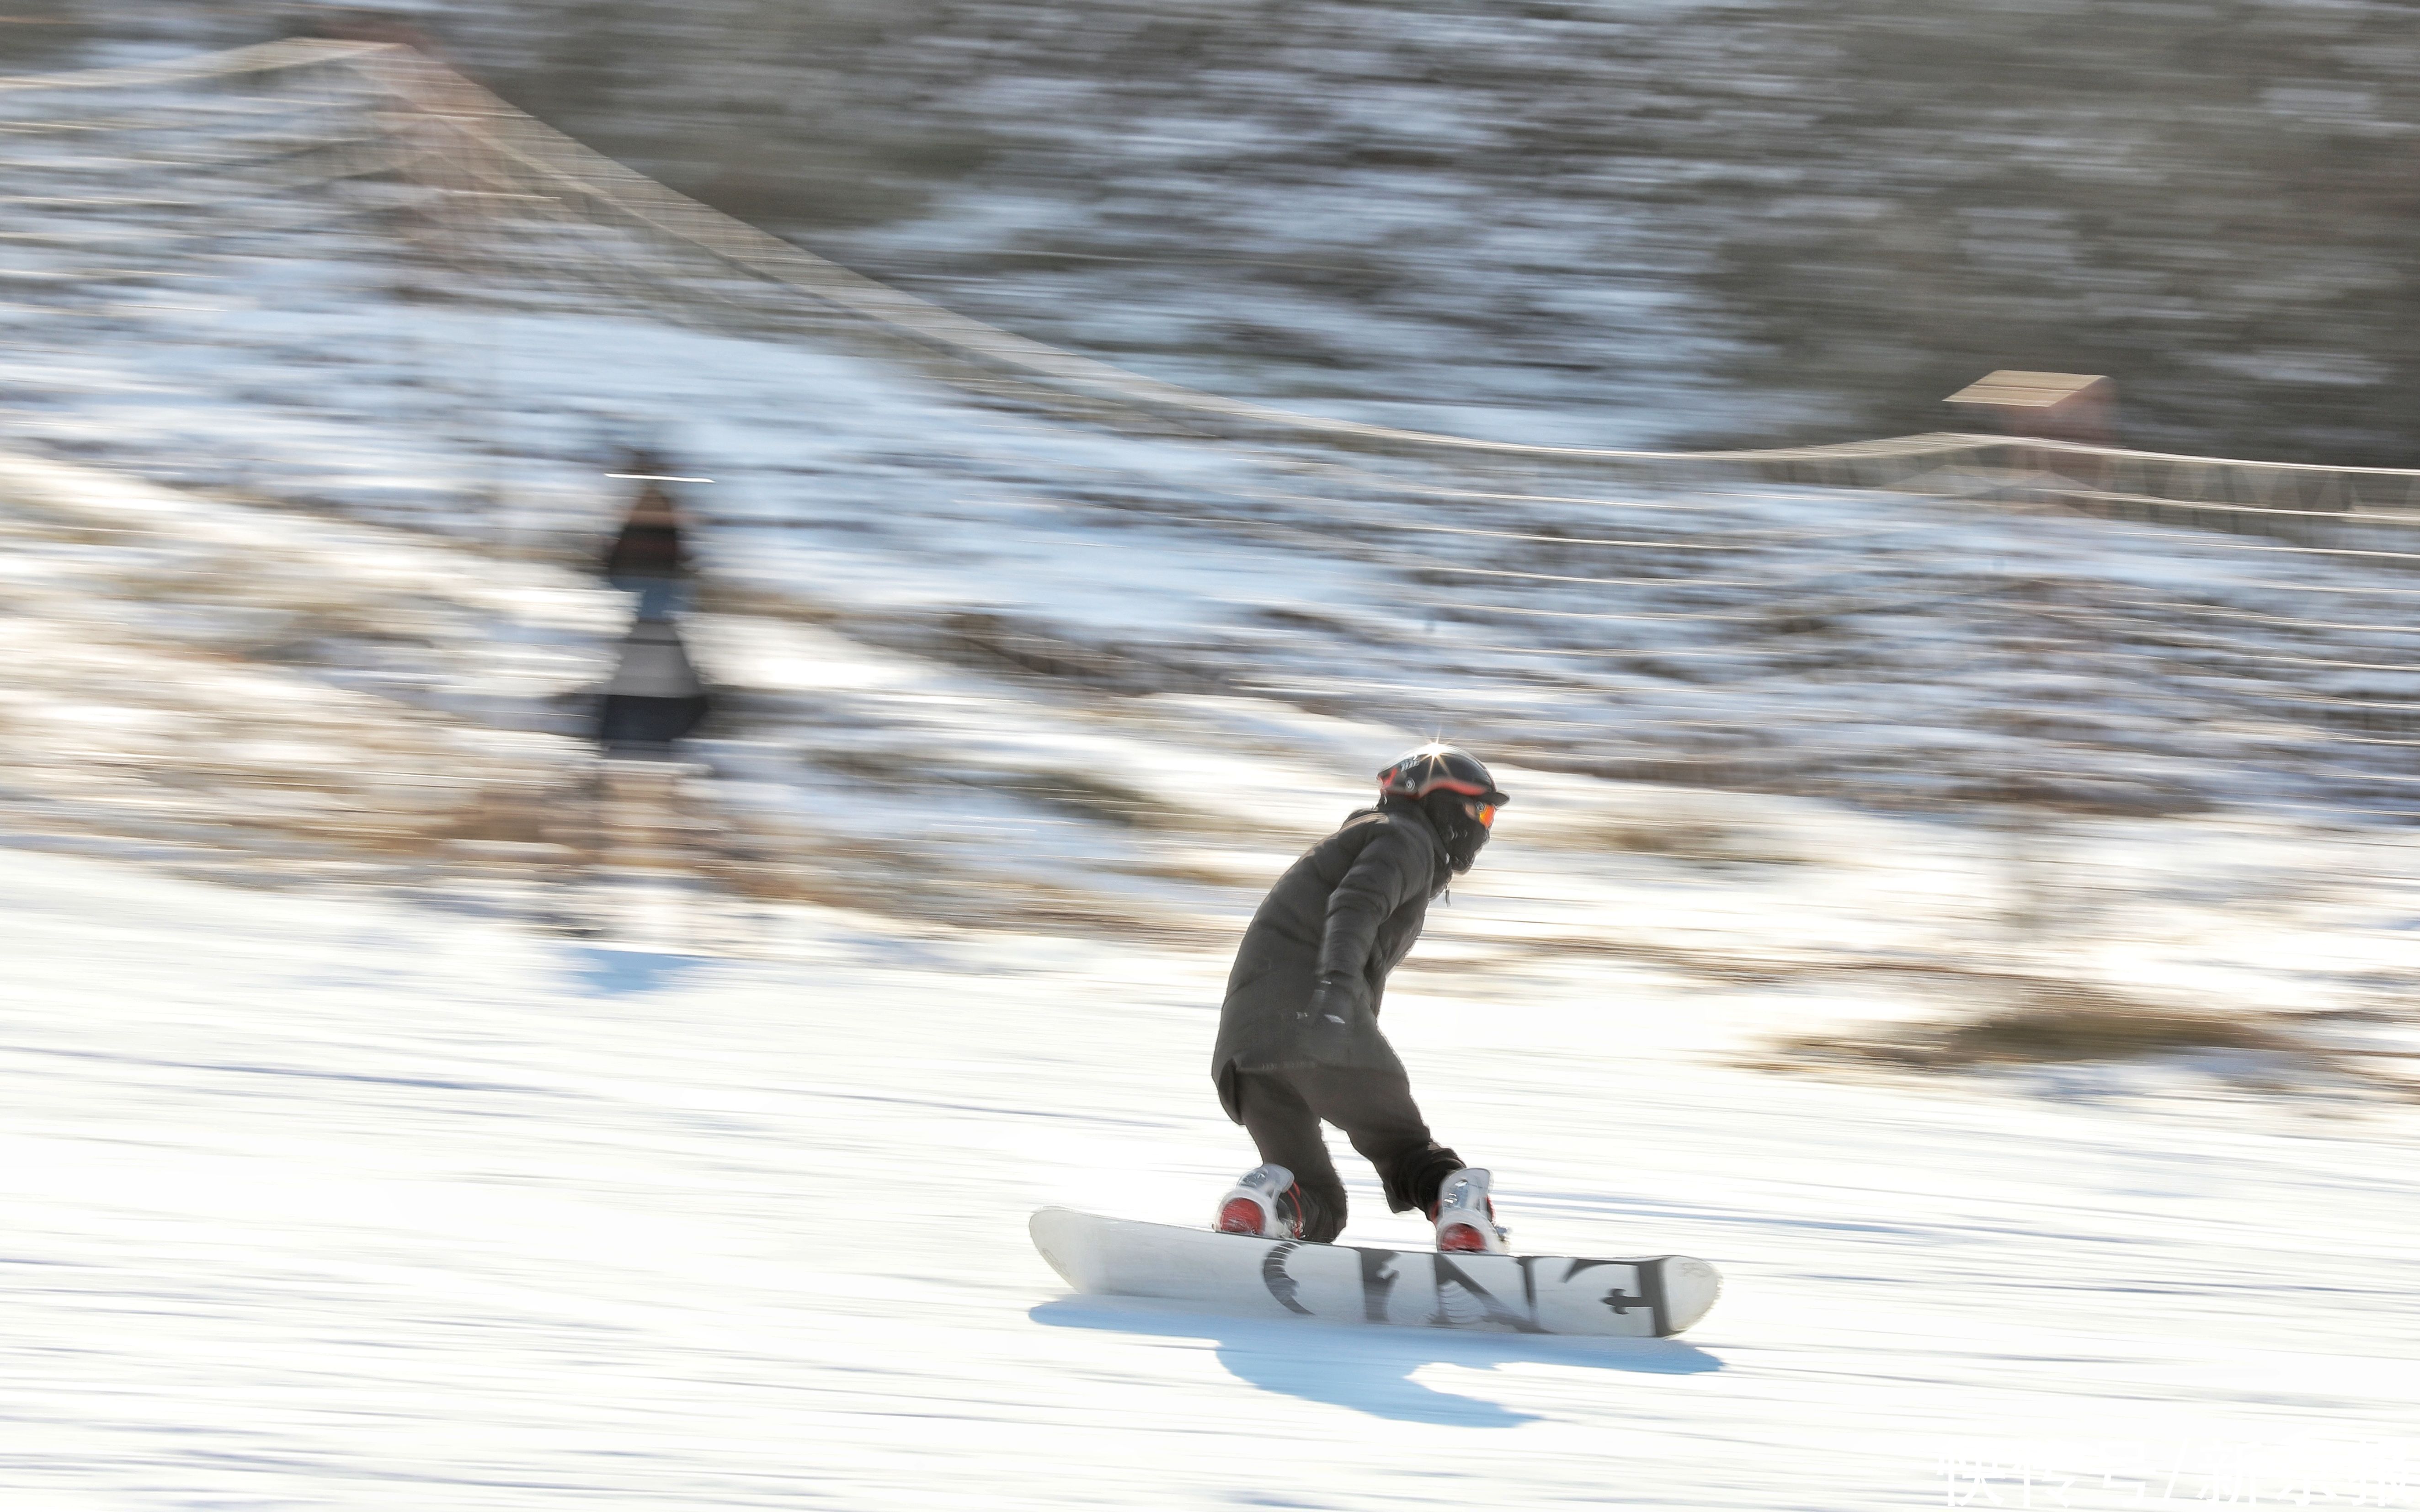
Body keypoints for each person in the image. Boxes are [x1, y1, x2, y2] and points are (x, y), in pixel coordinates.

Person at [1210, 744, 1511, 1253]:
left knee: (1317, 1202)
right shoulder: (1405, 837)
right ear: (1438, 801)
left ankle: (1264, 1204)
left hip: (1245, 1049)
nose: (1484, 825)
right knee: (1409, 1152)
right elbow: (1354, 905)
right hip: (1317, 1019)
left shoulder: (1361, 838)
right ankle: (1464, 1221)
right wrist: (1333, 996)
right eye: (1480, 809)